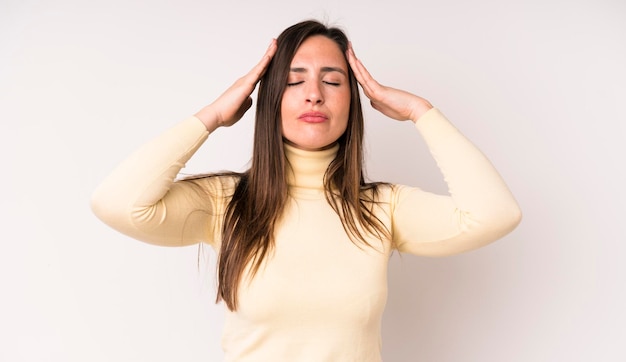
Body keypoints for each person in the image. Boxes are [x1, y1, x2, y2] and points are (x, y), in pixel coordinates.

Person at [91, 19, 521, 361]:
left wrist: (420, 112)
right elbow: (117, 204)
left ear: (353, 101)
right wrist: (212, 116)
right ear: (270, 97)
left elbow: (495, 214)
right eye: (295, 81)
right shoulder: (225, 203)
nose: (314, 95)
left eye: (332, 82)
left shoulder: (381, 208)